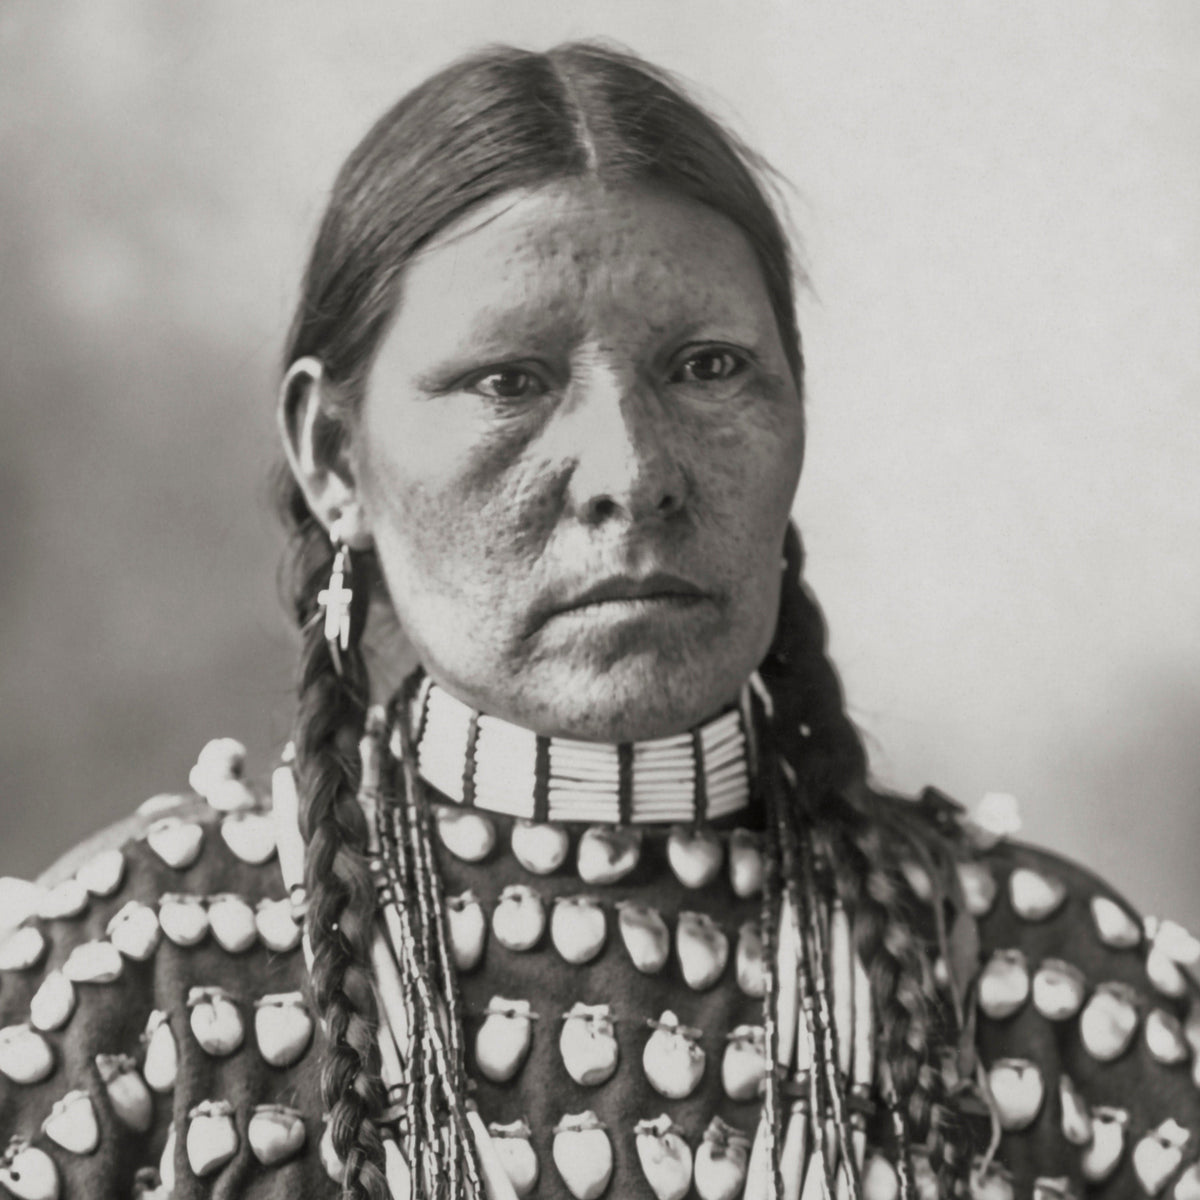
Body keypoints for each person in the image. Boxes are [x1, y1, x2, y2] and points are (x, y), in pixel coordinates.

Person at [0, 40, 1197, 1200]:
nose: (633, 471)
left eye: (709, 368)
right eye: (509, 381)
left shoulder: (1055, 1003)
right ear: (334, 457)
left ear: (797, 410)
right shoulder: (135, 986)